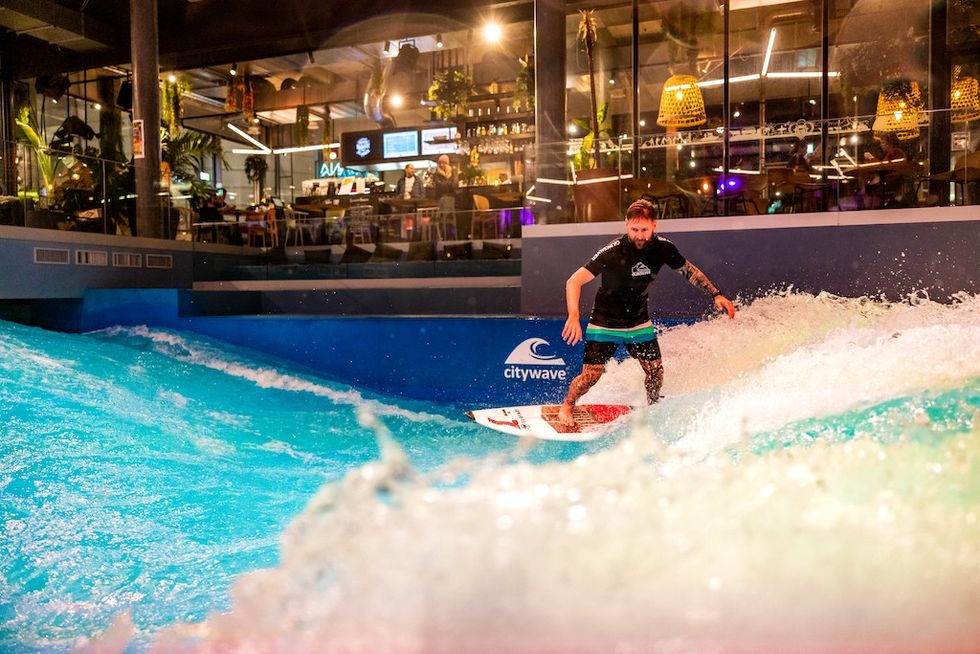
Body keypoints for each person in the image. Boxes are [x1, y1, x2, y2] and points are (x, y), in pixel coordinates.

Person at [557, 199, 735, 427]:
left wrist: (715, 294)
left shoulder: (663, 248)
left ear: (654, 225)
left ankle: (653, 407)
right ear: (626, 225)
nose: (639, 235)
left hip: (638, 321)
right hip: (605, 322)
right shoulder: (612, 252)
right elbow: (574, 281)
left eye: (644, 230)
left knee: (655, 372)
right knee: (591, 377)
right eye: (634, 230)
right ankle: (568, 404)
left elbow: (689, 271)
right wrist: (573, 315)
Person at [432, 154, 458, 236]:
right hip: (440, 197)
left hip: (451, 197)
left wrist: (446, 184)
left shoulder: (453, 173)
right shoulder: (436, 174)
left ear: (447, 164)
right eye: (440, 163)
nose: (441, 164)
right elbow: (439, 185)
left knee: (449, 200)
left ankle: (447, 231)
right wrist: (449, 184)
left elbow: (455, 184)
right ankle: (443, 231)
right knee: (445, 199)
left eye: (443, 163)